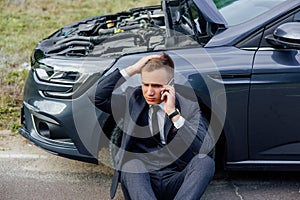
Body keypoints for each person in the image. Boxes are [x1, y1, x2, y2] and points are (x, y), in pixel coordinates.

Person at [89, 52, 215, 200]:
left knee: (205, 162)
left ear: (170, 85)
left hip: (175, 179)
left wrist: (174, 115)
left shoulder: (189, 107)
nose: (149, 92)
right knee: (131, 165)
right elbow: (97, 96)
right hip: (142, 180)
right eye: (145, 84)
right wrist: (133, 69)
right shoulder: (133, 100)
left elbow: (203, 148)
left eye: (156, 86)